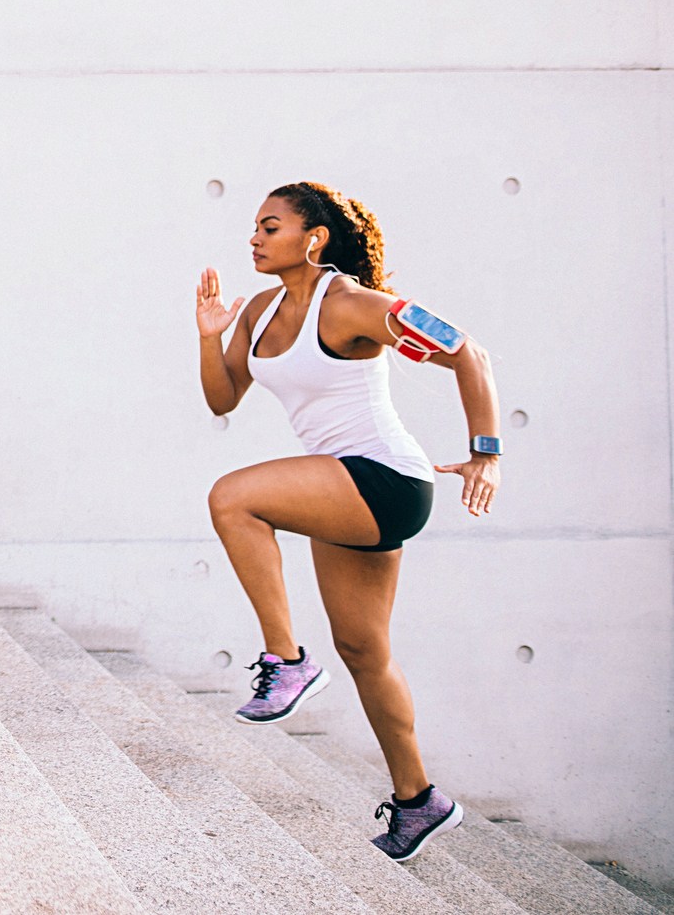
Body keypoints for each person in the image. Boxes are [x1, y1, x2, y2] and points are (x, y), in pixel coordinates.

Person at [196, 181, 503, 863]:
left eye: (269, 227)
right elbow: (222, 397)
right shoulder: (255, 311)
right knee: (365, 654)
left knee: (231, 497)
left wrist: (486, 454)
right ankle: (418, 799)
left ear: (314, 238)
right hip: (338, 489)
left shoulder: (351, 305)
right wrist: (209, 337)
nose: (253, 237)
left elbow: (466, 353)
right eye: (252, 226)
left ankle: (287, 663)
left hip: (386, 479)